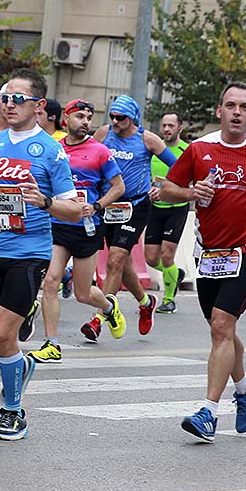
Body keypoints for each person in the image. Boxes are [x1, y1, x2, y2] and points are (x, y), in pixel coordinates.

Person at [161, 83, 246, 443]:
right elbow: (166, 188)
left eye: (244, 107)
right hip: (208, 253)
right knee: (223, 331)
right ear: (219, 110)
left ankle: (208, 412)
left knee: (221, 326)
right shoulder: (200, 148)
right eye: (231, 105)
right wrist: (191, 192)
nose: (237, 112)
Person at [0, 69, 79, 440]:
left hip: (30, 255)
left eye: (18, 99)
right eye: (5, 98)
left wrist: (43, 201)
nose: (9, 105)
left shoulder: (51, 150)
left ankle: (13, 412)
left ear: (39, 105)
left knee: (4, 333)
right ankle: (18, 367)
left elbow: (72, 209)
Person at [30, 99, 124, 363]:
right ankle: (52, 344)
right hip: (58, 224)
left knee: (83, 294)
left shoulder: (100, 151)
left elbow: (118, 187)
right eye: (80, 116)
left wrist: (97, 205)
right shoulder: (54, 149)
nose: (85, 121)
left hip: (86, 227)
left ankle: (108, 306)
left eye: (89, 117)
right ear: (66, 120)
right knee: (50, 281)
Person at [87, 95, 176, 340]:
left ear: (133, 118)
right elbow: (88, 159)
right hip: (107, 205)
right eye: (112, 116)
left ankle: (99, 318)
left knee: (115, 260)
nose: (115, 121)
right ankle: (146, 302)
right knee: (122, 262)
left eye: (121, 118)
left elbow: (178, 167)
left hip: (135, 207)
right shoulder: (104, 133)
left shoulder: (147, 139)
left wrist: (163, 187)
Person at [146, 112, 189, 314]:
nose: (166, 130)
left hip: (177, 209)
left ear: (180, 127)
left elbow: (193, 180)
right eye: (164, 125)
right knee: (151, 259)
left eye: (171, 125)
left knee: (166, 255)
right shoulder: (154, 148)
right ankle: (174, 274)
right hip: (155, 208)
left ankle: (169, 299)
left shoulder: (186, 151)